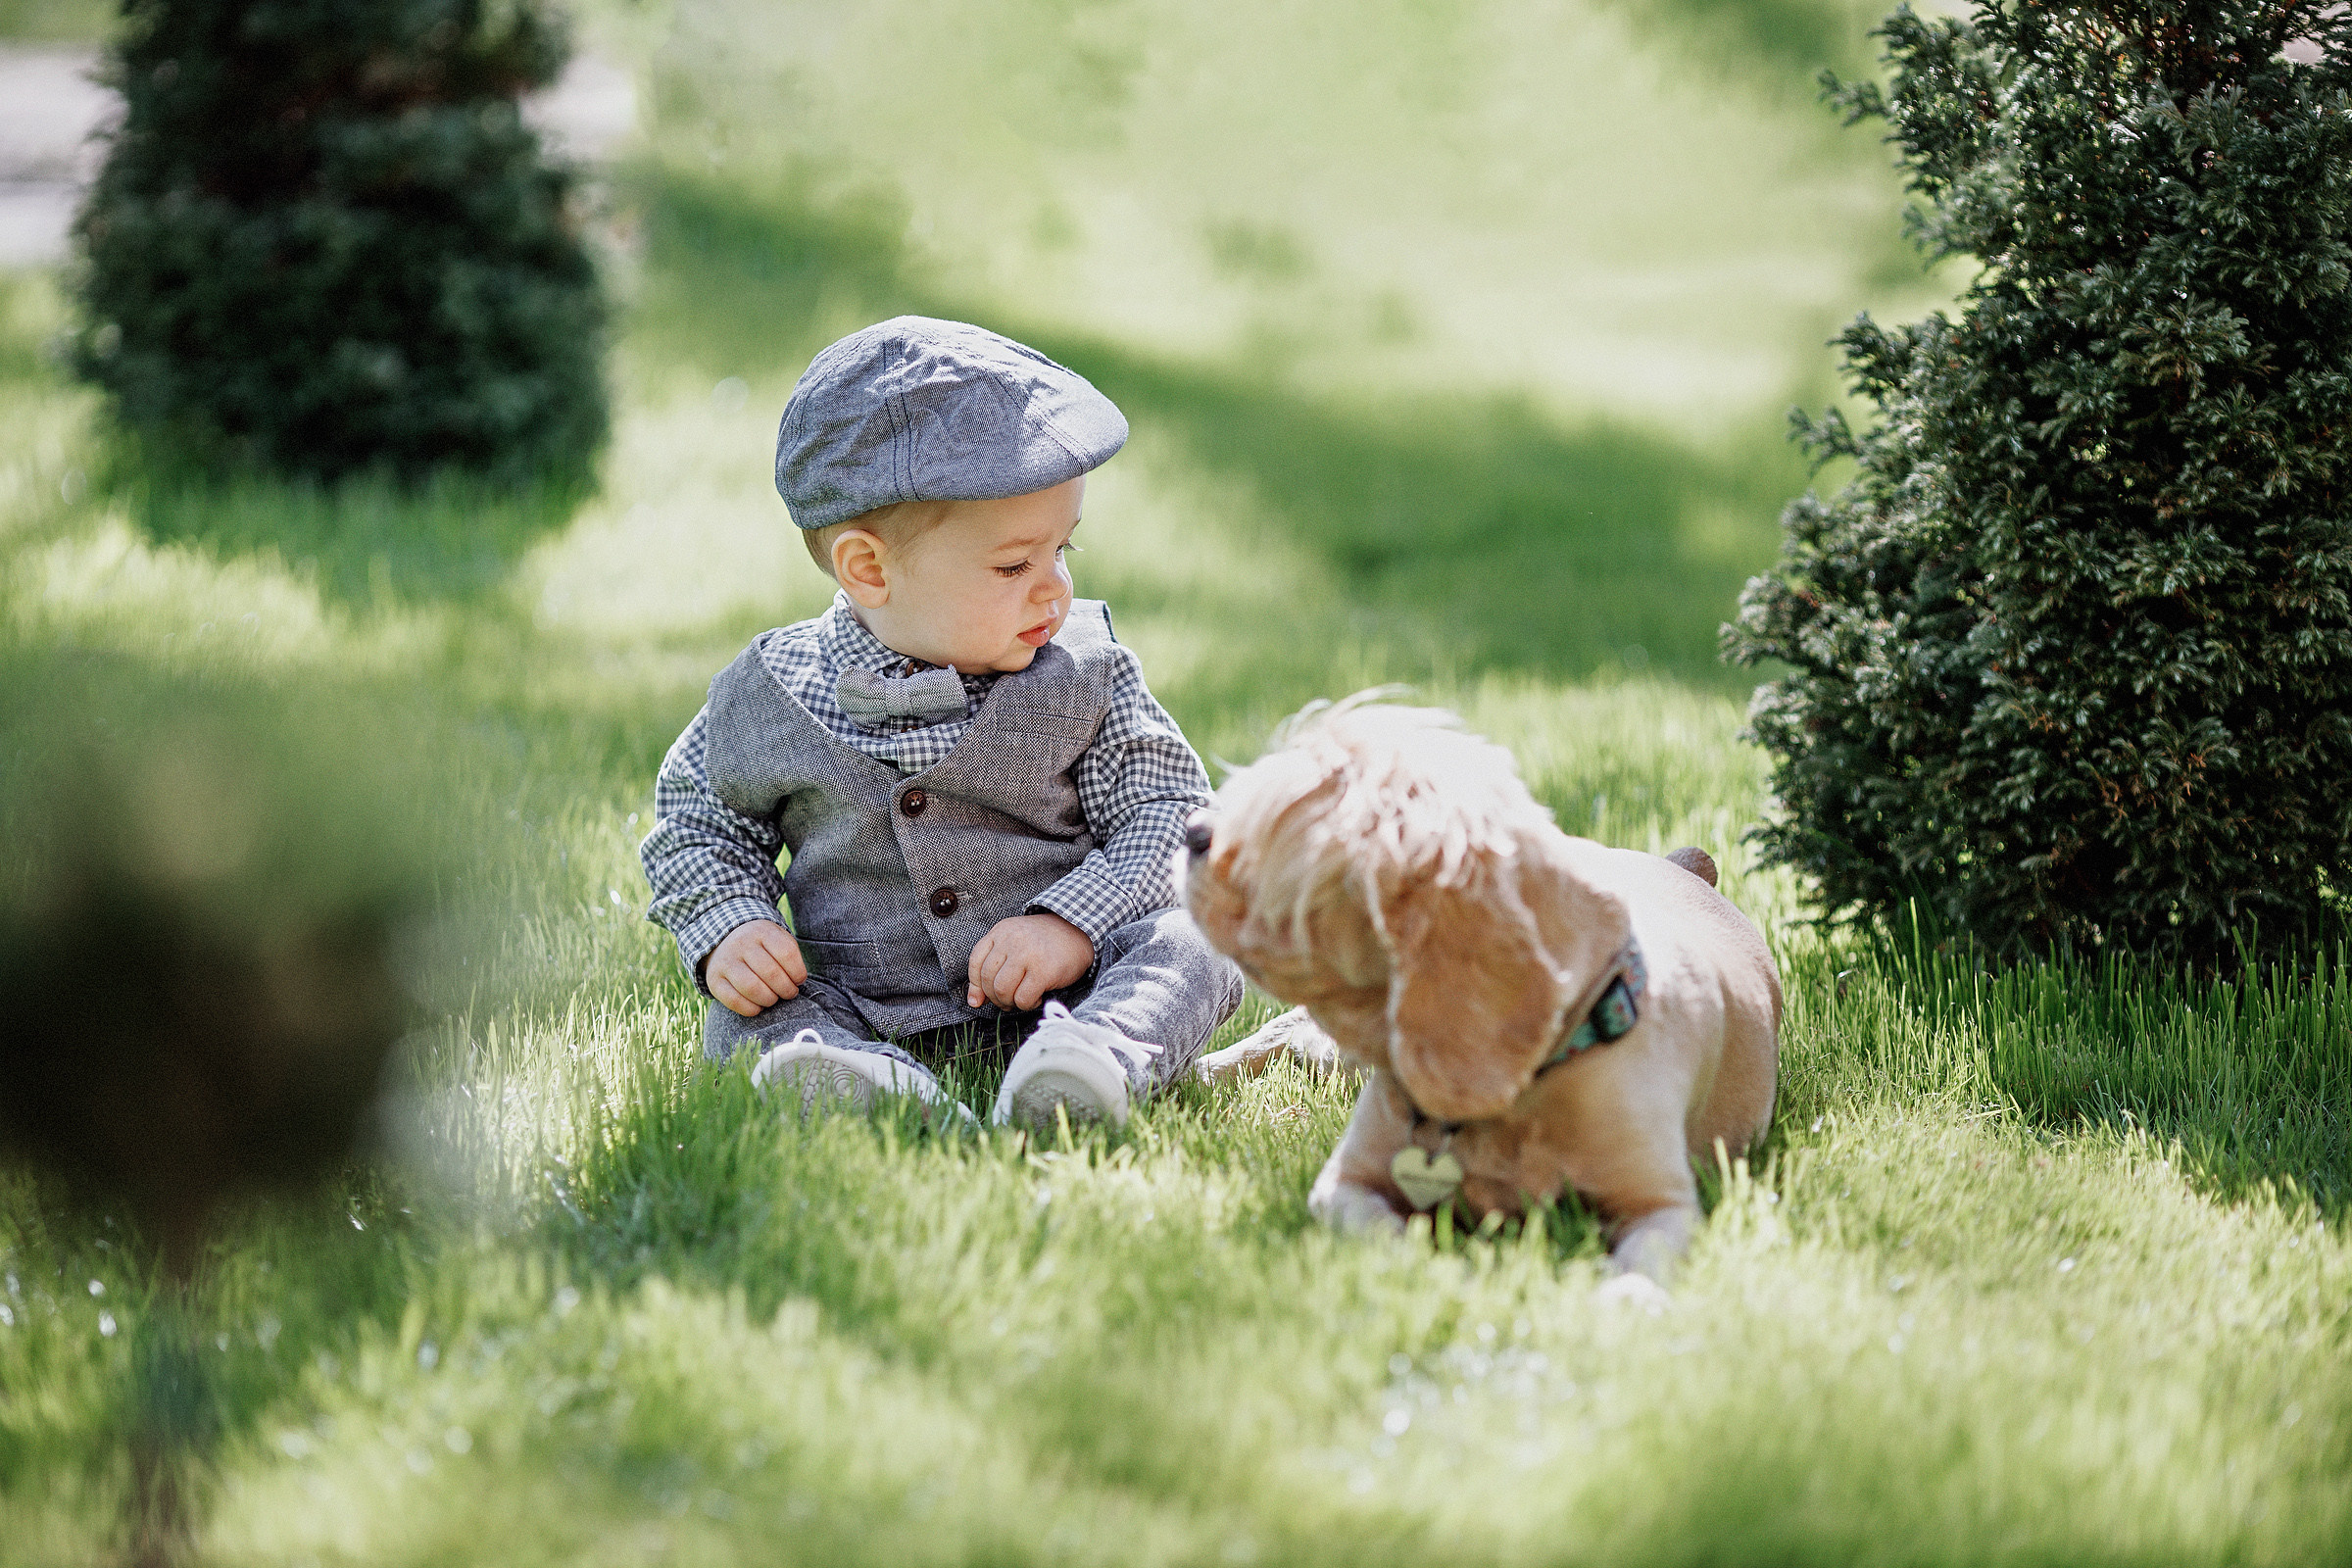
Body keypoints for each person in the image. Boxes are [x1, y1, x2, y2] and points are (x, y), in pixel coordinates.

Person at [640, 317, 1243, 1129]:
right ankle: (863, 1080)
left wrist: (1071, 923)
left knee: (1196, 943)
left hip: (1077, 985)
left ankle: (1090, 1062)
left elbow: (1168, 814)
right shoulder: (772, 695)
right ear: (868, 569)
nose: (1054, 588)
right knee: (749, 1013)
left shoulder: (1085, 671)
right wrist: (731, 925)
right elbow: (696, 822)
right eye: (1014, 565)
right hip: (864, 998)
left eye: (1066, 549)